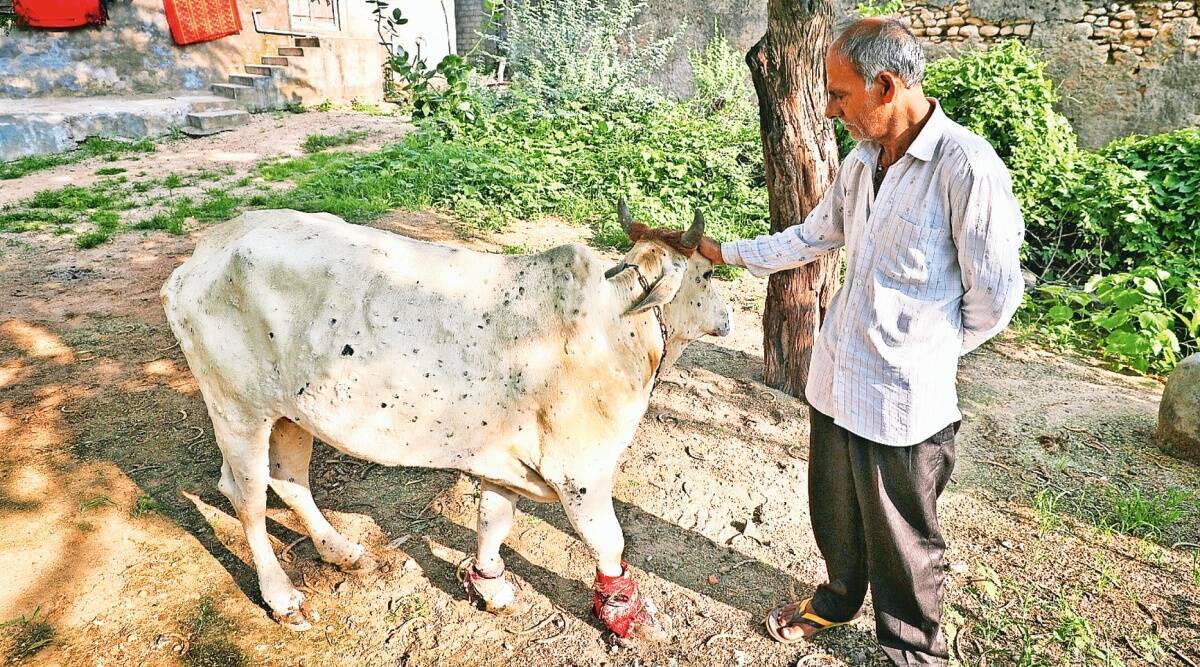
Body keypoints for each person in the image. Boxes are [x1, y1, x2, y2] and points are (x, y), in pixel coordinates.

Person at [696, 17, 1026, 666]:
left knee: (905, 544)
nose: (829, 109)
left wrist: (924, 351)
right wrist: (724, 251)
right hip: (837, 377)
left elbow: (994, 295)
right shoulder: (862, 160)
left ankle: (912, 651)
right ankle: (840, 598)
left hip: (903, 402)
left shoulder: (965, 167)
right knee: (836, 516)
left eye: (839, 94)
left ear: (886, 86)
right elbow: (813, 236)